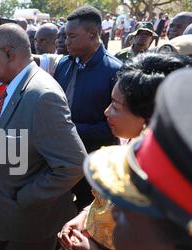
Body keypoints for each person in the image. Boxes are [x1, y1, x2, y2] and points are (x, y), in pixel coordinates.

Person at [58, 52, 192, 250]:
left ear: (149, 120)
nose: (106, 111)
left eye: (116, 107)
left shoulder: (173, 185)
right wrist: (84, 217)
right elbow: (105, 202)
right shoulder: (133, 146)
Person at [0, 23, 86, 250]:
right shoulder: (18, 86)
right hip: (21, 217)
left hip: (34, 215)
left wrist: (27, 197)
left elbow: (74, 164)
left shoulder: (42, 95)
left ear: (8, 53)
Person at [53, 5, 122, 211]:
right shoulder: (64, 64)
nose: (66, 41)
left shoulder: (115, 70)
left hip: (95, 161)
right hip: (63, 157)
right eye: (65, 36)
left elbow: (115, 126)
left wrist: (71, 129)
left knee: (90, 211)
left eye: (72, 36)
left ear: (92, 34)